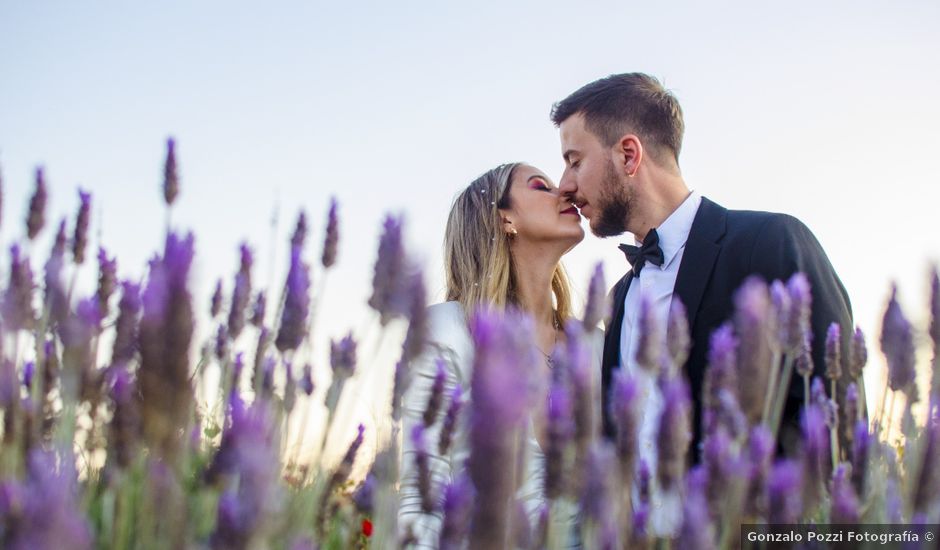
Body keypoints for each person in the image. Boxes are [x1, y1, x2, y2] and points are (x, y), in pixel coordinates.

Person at [550, 73, 858, 529]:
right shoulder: (618, 298)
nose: (564, 185)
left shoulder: (769, 242)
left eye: (574, 161)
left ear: (629, 155)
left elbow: (837, 420)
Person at [398, 163, 597, 548]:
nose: (566, 192)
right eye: (542, 186)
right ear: (504, 219)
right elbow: (420, 497)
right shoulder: (447, 329)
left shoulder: (594, 344)